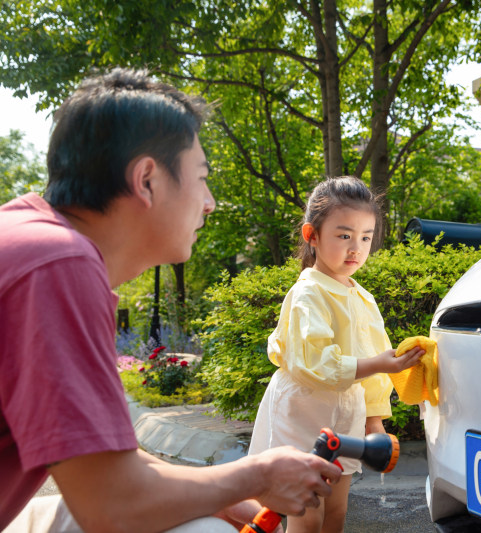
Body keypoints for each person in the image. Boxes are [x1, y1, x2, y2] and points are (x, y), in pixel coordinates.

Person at [0, 68, 341, 533]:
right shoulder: (57, 265)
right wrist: (256, 475)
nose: (210, 202)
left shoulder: (31, 240)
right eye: (201, 178)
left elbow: (104, 460)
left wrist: (224, 492)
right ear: (146, 180)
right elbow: (111, 504)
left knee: (197, 513)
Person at [248, 176, 425, 533]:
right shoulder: (308, 293)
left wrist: (374, 421)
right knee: (306, 510)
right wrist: (378, 363)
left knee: (336, 511)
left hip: (346, 412)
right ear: (311, 235)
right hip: (303, 411)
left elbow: (375, 360)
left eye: (365, 237)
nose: (356, 248)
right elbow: (315, 363)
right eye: (344, 236)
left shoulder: (362, 296)